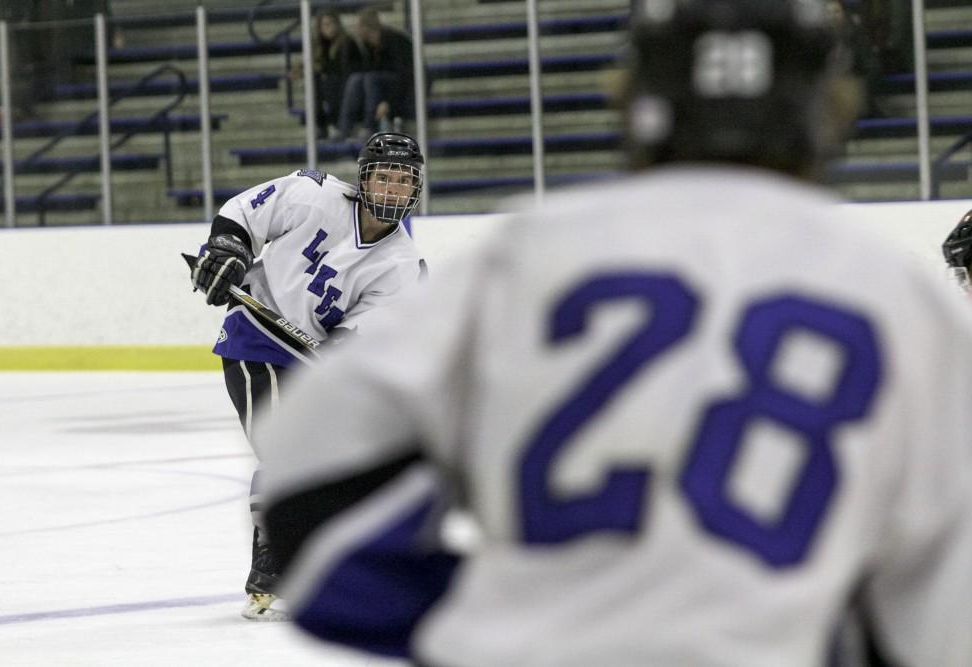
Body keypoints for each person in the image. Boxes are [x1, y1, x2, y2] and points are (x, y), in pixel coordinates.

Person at [257, 1, 972, 665]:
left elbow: (307, 485)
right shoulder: (901, 300)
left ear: (631, 100)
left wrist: (483, 623)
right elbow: (943, 621)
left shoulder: (528, 256)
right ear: (831, 108)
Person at [187, 131, 427, 621]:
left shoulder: (402, 267)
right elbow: (244, 213)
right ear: (363, 179)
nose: (392, 189)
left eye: (403, 181)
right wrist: (228, 248)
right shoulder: (313, 194)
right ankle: (273, 556)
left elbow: (362, 338)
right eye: (384, 176)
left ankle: (310, 552)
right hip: (253, 338)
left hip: (312, 367)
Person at [332, 7, 414, 141]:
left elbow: (405, 76)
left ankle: (370, 126)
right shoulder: (368, 46)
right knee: (355, 79)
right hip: (381, 86)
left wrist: (388, 102)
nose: (356, 30)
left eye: (358, 26)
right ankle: (344, 127)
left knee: (370, 78)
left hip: (403, 87)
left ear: (366, 27)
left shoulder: (394, 41)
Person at [311, 7, 362, 139]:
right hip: (333, 83)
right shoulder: (321, 46)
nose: (329, 28)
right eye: (324, 25)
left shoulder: (346, 42)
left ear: (337, 24)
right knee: (316, 80)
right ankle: (320, 126)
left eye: (331, 23)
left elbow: (343, 68)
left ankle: (336, 124)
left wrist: (322, 69)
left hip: (348, 81)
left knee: (329, 81)